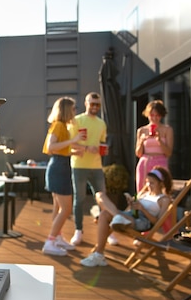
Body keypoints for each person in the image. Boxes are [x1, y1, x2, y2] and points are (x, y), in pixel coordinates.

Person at [80, 166, 173, 267]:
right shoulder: (144, 194)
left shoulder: (164, 199)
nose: (148, 185)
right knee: (100, 196)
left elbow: (157, 222)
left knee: (103, 215)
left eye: (152, 183)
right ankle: (100, 253)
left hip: (142, 221)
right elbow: (130, 211)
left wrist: (142, 209)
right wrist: (131, 204)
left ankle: (98, 254)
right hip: (130, 216)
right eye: (147, 182)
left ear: (161, 183)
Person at [69, 92, 115, 246]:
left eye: (97, 104)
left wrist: (104, 149)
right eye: (92, 104)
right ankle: (78, 231)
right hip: (79, 165)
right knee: (79, 199)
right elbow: (69, 143)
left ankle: (110, 231)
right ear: (86, 103)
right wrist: (87, 147)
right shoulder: (76, 120)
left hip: (96, 166)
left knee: (103, 200)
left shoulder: (102, 123)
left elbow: (102, 143)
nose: (95, 107)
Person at [41, 97, 85, 256]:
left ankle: (57, 237)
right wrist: (73, 141)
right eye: (73, 109)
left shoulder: (61, 126)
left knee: (58, 207)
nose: (75, 112)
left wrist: (74, 151)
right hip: (59, 168)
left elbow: (59, 149)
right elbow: (52, 147)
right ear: (67, 110)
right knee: (66, 209)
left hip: (59, 166)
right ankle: (50, 241)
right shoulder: (59, 125)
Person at [135, 100, 173, 193]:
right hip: (145, 162)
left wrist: (159, 140)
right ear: (147, 115)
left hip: (160, 162)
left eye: (157, 115)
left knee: (161, 189)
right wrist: (141, 141)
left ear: (161, 115)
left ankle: (160, 207)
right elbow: (138, 153)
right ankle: (140, 207)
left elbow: (168, 153)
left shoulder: (167, 130)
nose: (154, 118)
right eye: (152, 115)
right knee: (142, 190)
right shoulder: (142, 130)